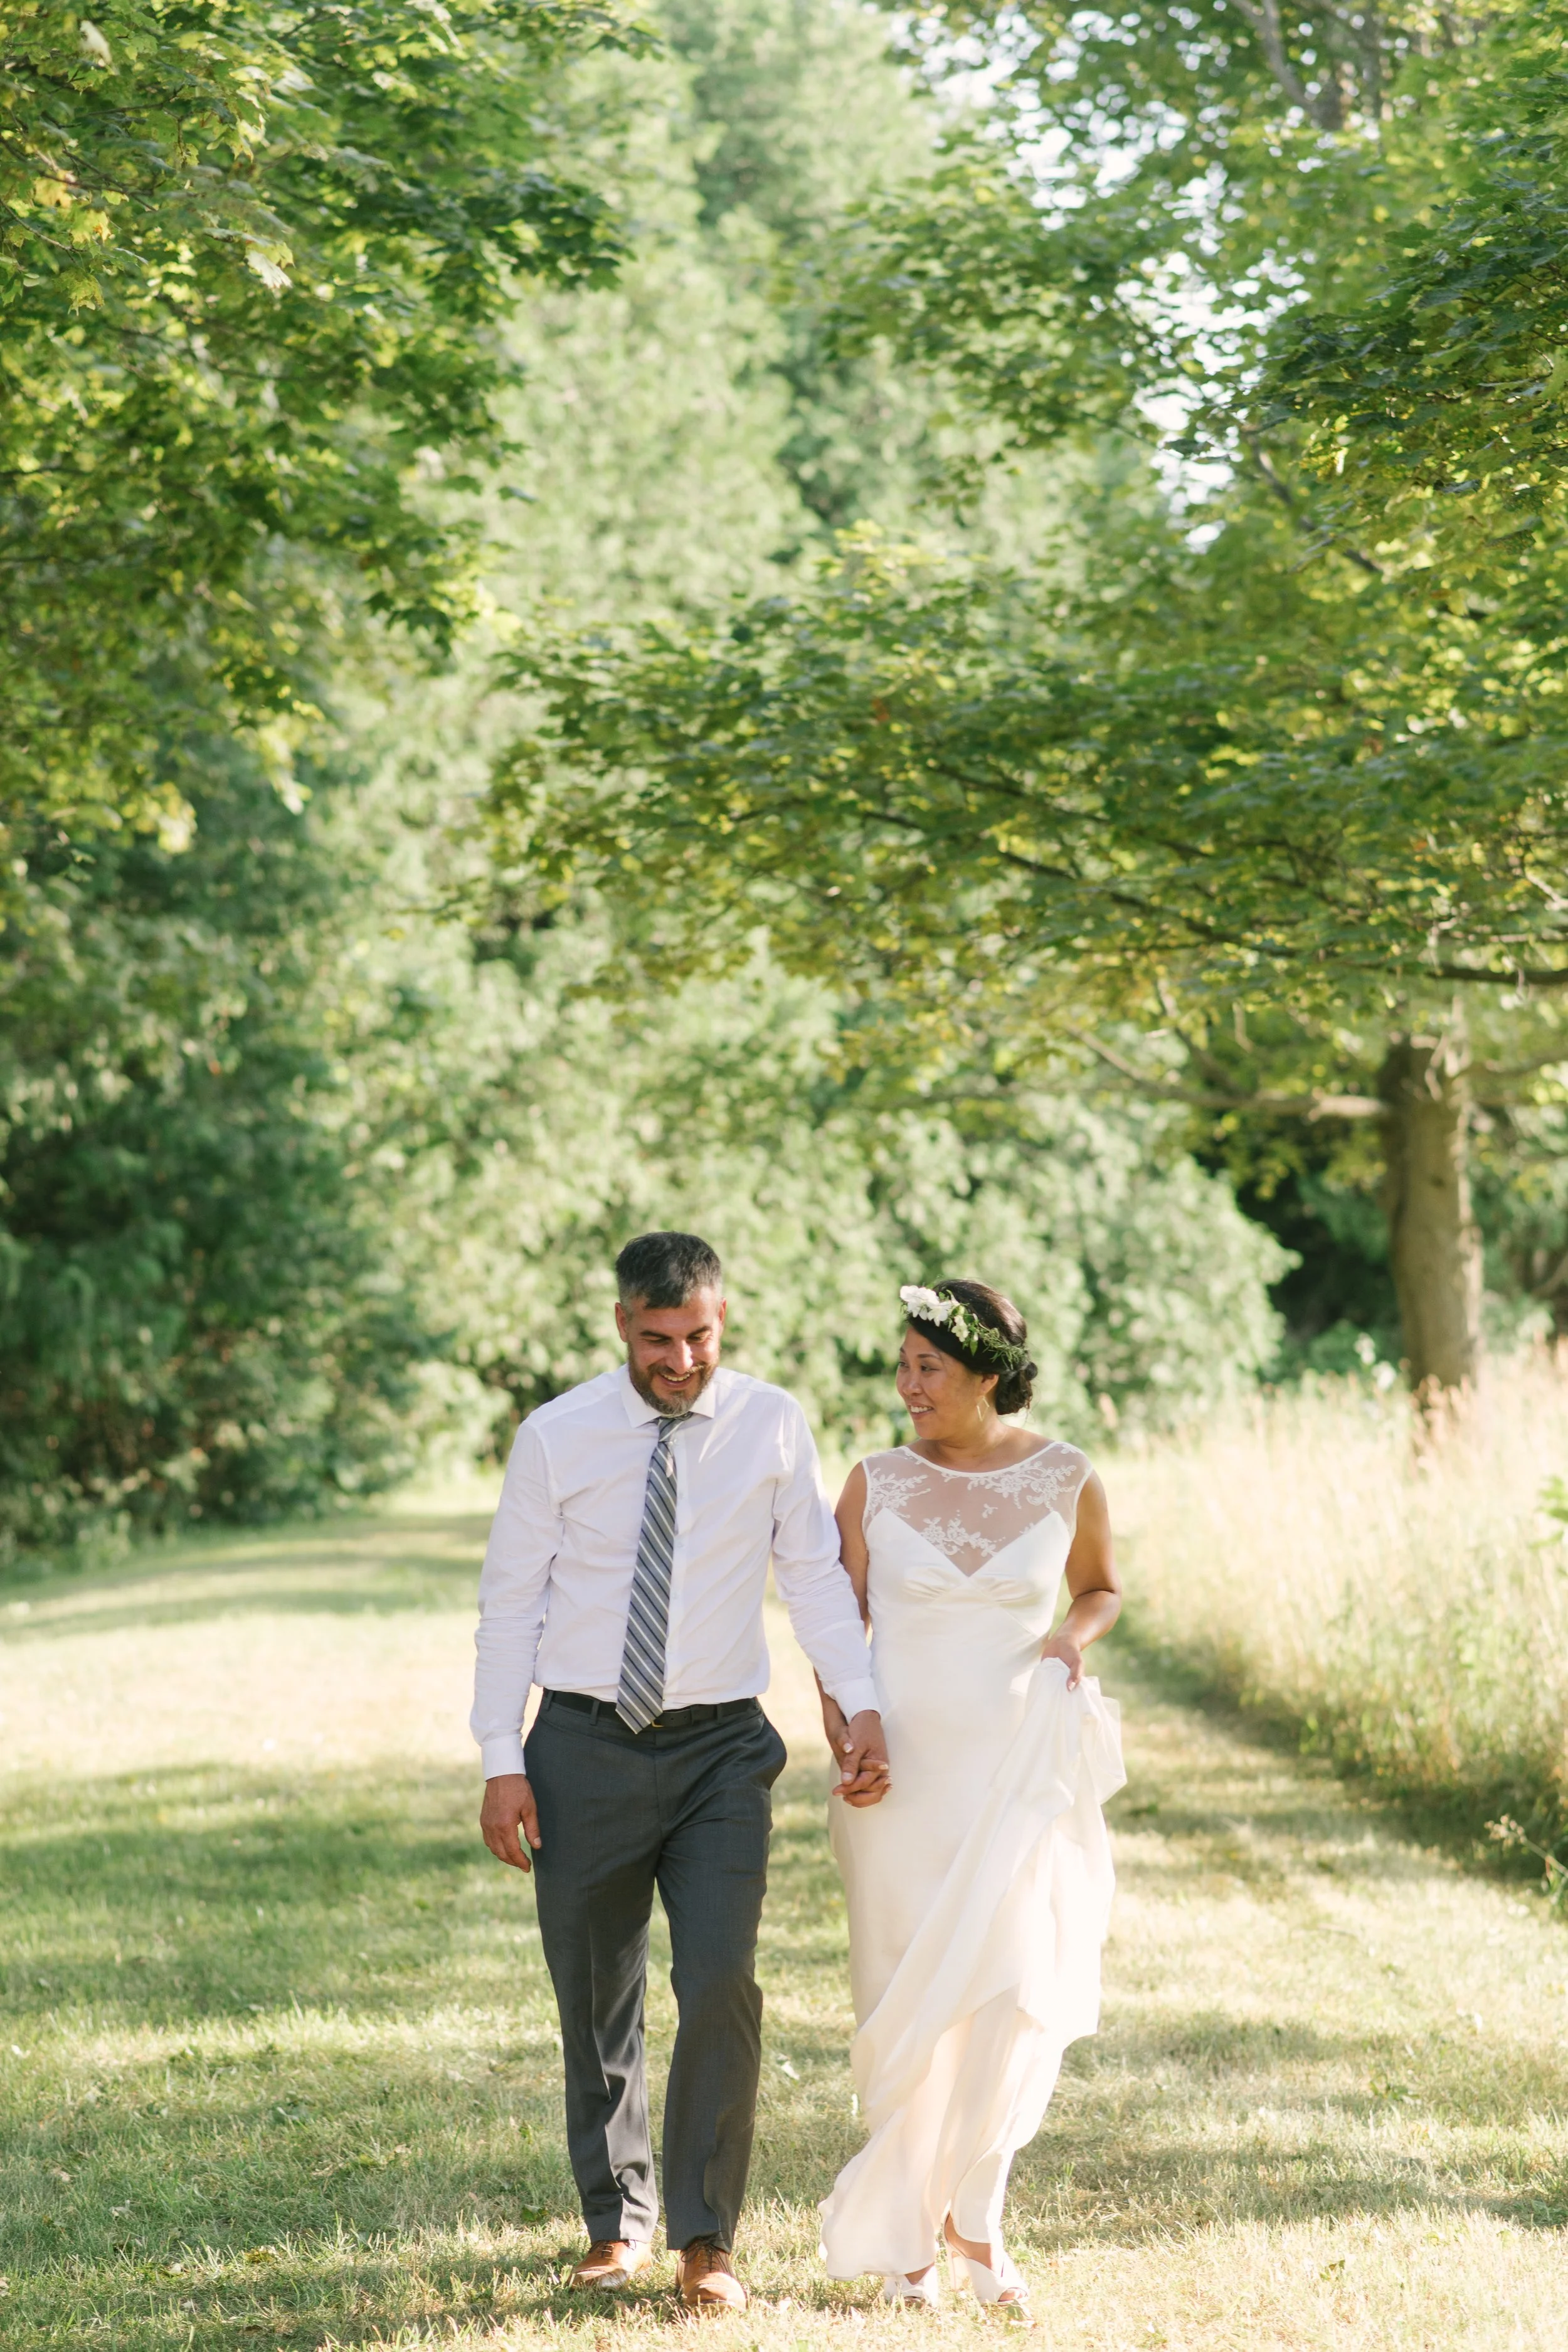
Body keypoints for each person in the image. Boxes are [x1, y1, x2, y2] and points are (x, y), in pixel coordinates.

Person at [472, 1231, 891, 2313]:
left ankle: (709, 2238)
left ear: (722, 1316)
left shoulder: (770, 1423)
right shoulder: (555, 1437)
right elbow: (510, 1605)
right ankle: (618, 2223)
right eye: (658, 1338)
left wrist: (863, 1708)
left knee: (719, 1981)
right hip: (579, 1745)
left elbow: (812, 1578)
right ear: (621, 1323)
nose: (682, 1360)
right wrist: (501, 1758)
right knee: (596, 1991)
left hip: (717, 1750)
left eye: (698, 1334)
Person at [818, 1278, 1125, 2318]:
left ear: (988, 1374)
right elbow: (833, 1623)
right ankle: (907, 2234)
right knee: (906, 1995)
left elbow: (1099, 1588)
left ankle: (976, 2221)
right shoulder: (874, 1481)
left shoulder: (1066, 1476)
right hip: (897, 1775)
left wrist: (1065, 1641)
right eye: (902, 1364)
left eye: (929, 1368)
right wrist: (842, 1730)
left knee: (1005, 1993)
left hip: (1013, 1766)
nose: (907, 1386)